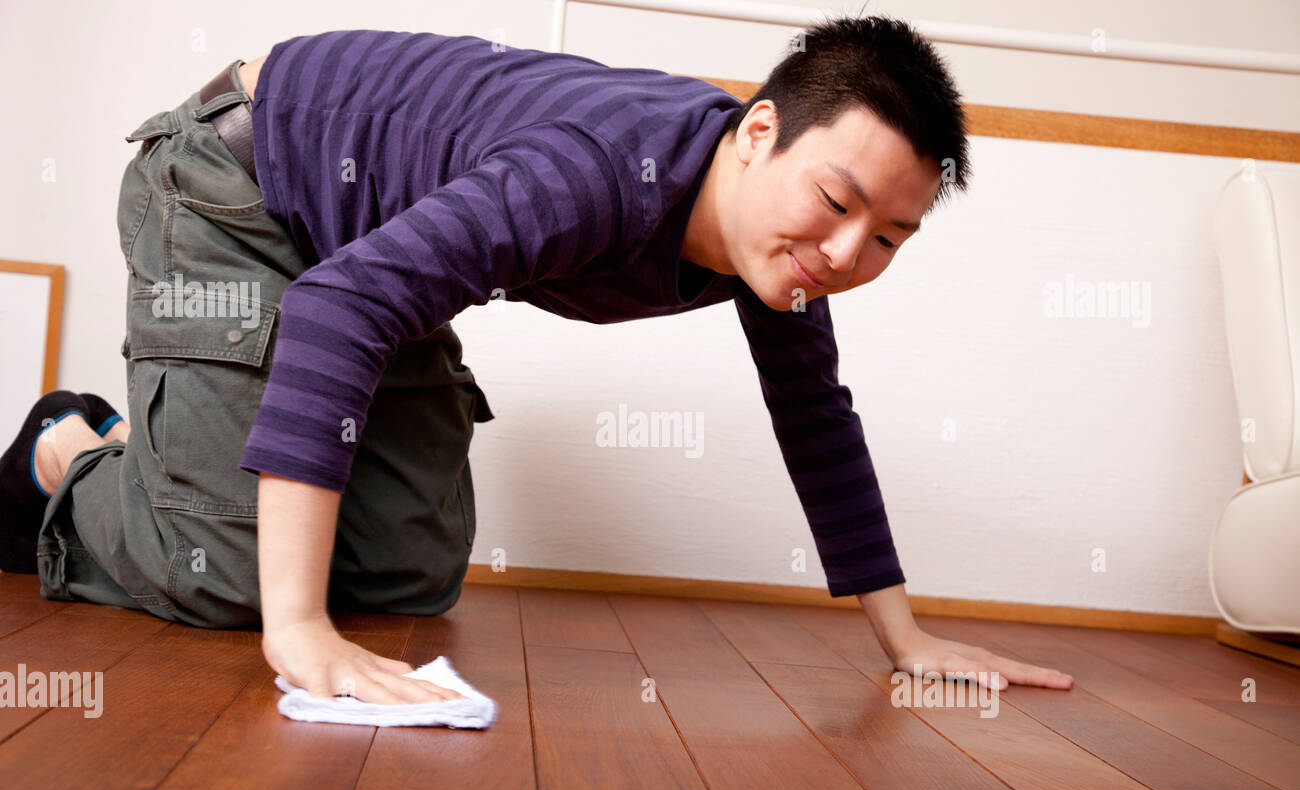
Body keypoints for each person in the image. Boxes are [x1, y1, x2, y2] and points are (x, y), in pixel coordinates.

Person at [0, 15, 1073, 705]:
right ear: (755, 135)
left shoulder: (775, 252)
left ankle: (180, 446)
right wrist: (298, 633)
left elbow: (814, 416)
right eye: (837, 202)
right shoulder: (600, 174)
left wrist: (905, 636)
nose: (846, 254)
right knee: (234, 579)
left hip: (369, 249)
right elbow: (337, 308)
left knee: (409, 572)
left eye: (888, 237)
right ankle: (70, 447)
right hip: (237, 189)